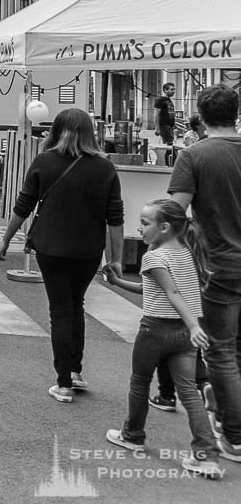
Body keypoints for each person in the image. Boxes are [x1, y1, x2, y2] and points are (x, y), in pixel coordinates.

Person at [0, 108, 124, 403]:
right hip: (89, 250)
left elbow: (23, 205)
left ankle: (63, 381)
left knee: (60, 311)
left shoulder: (44, 162)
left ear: (56, 130)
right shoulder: (105, 168)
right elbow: (115, 217)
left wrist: (5, 240)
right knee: (76, 306)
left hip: (51, 248)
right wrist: (115, 258)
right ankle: (75, 371)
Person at [100, 199, 223, 478]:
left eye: (145, 223)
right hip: (183, 336)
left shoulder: (153, 256)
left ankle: (133, 435)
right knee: (189, 392)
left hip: (155, 330)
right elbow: (153, 288)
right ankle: (206, 454)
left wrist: (194, 326)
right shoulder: (187, 253)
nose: (139, 228)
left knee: (140, 382)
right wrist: (118, 283)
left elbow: (172, 294)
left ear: (164, 227)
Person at [169, 84, 241, 462]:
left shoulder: (194, 156)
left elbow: (174, 211)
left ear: (200, 114)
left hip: (220, 264)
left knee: (221, 352)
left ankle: (234, 435)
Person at [154, 82, 178, 148]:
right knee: (167, 146)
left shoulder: (168, 100)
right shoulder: (160, 100)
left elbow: (170, 113)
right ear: (165, 90)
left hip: (170, 126)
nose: (173, 91)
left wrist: (174, 125)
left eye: (174, 89)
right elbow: (156, 114)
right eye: (171, 89)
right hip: (164, 126)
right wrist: (157, 128)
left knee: (170, 144)